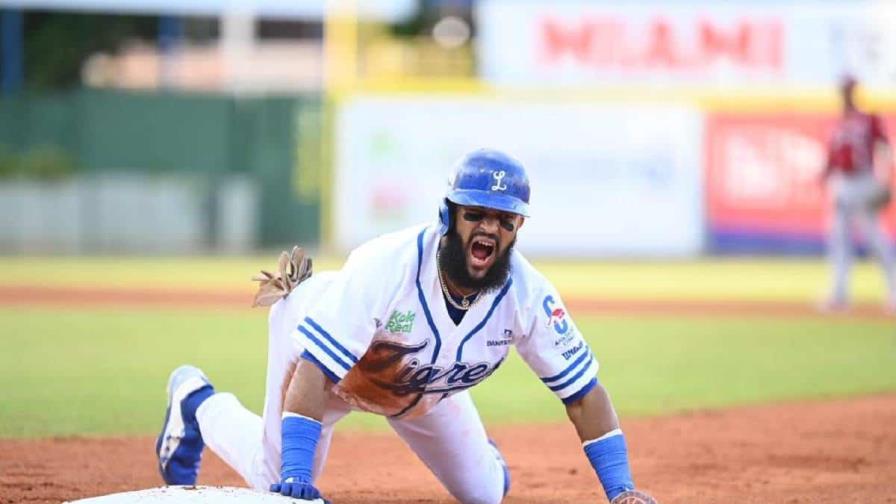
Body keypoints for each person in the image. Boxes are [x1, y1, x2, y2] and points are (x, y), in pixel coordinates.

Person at [155, 149, 657, 504]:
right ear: (449, 214)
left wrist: (622, 491)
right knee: (276, 486)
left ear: (518, 228)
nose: (490, 227)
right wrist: (297, 474)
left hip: (424, 385)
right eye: (476, 213)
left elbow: (584, 394)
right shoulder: (387, 266)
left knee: (485, 495)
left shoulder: (528, 294)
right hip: (328, 368)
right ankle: (198, 403)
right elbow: (313, 373)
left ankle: (481, 456)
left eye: (505, 220)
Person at [820, 76, 896, 312]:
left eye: (848, 91)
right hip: (843, 184)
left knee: (875, 238)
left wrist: (884, 178)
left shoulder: (867, 119)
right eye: (843, 91)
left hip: (863, 180)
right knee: (839, 240)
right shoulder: (838, 123)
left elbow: (885, 147)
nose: (845, 95)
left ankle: (893, 290)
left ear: (854, 93)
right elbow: (833, 158)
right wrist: (824, 176)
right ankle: (839, 295)